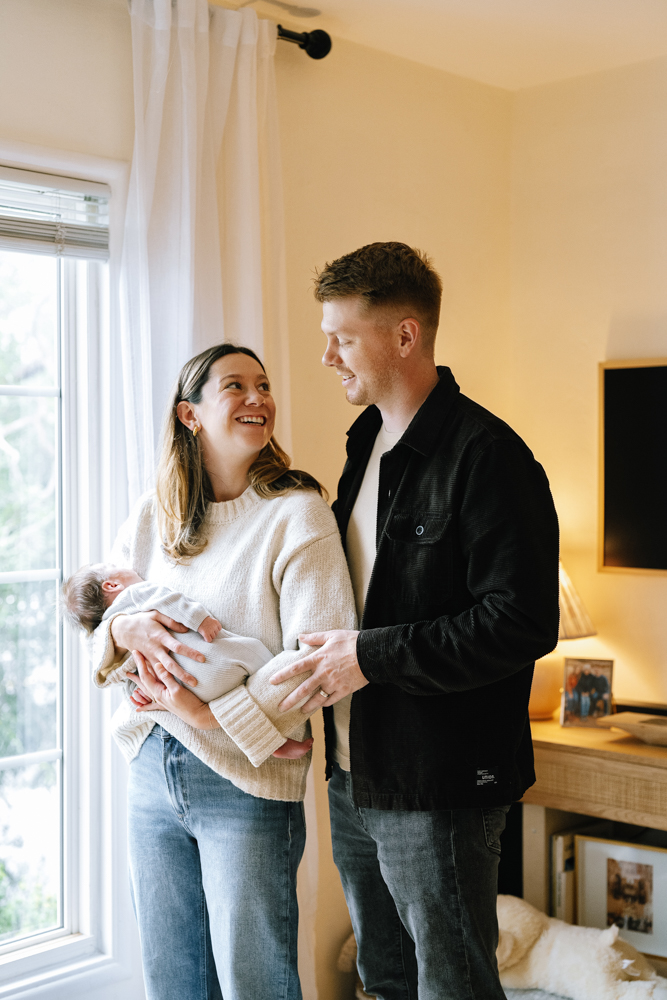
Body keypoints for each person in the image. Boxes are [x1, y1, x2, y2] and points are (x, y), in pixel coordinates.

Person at [270, 242, 560, 1000]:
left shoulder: (489, 457)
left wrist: (371, 658)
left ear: (404, 335)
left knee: (452, 983)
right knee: (384, 978)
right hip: (351, 765)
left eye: (342, 335)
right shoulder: (364, 442)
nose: (327, 355)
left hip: (439, 775)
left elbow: (521, 622)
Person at [87, 344, 356, 1000]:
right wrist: (123, 627)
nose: (257, 398)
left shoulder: (298, 514)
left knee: (254, 982)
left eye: (263, 385)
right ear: (190, 414)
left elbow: (313, 660)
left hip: (247, 781)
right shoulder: (157, 513)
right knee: (173, 977)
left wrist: (206, 716)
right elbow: (104, 610)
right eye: (234, 386)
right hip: (151, 768)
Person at [63, 563, 311, 757]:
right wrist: (200, 619)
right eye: (112, 564)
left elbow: (128, 668)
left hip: (185, 689)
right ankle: (281, 732)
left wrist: (142, 693)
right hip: (214, 661)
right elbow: (170, 599)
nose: (125, 564)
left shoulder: (113, 631)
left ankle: (272, 745)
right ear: (111, 585)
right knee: (258, 657)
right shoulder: (135, 594)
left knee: (230, 715)